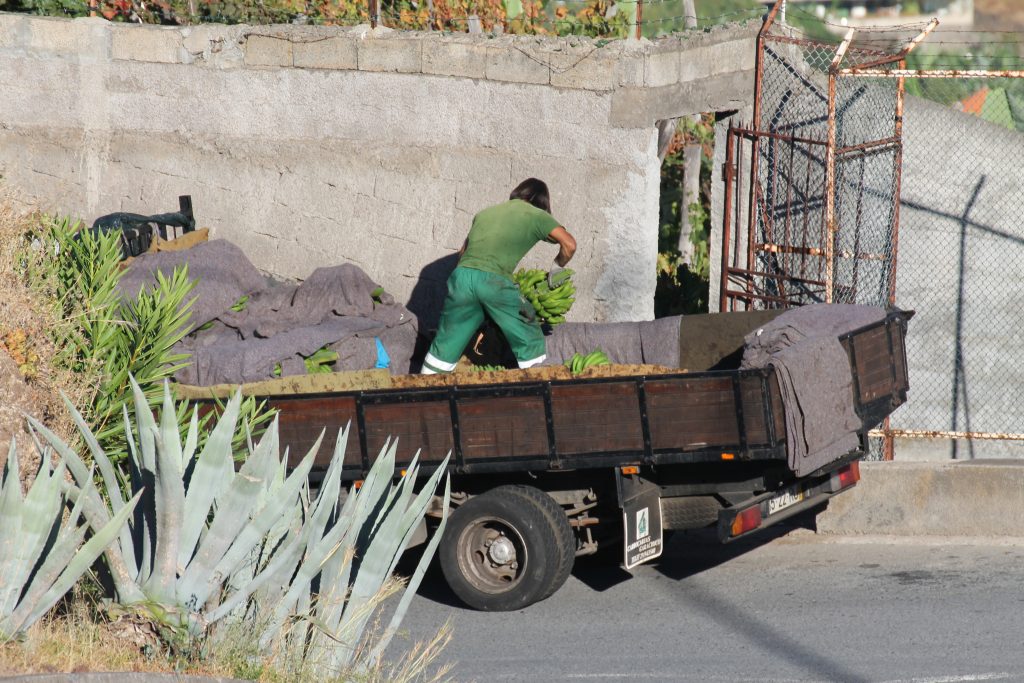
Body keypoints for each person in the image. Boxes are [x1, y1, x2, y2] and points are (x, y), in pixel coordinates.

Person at [421, 178, 576, 374]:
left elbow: (462, 254)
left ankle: (422, 392)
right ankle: (539, 388)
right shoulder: (537, 215)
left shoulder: (484, 214)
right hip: (493, 280)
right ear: (541, 201)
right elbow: (569, 245)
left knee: (445, 343)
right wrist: (557, 267)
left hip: (460, 278)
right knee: (527, 332)